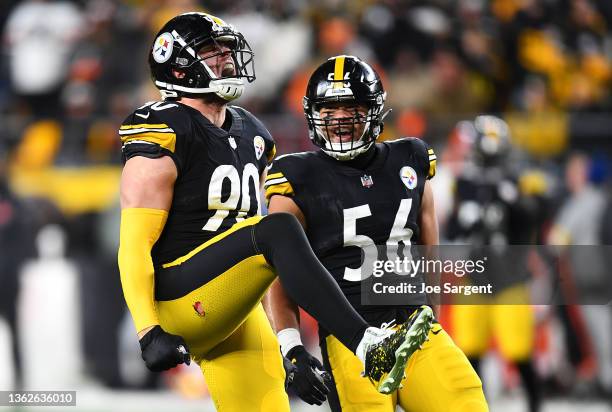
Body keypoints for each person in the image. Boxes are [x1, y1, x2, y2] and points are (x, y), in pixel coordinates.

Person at [117, 13, 433, 410]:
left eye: (227, 50)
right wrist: (148, 329)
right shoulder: (165, 129)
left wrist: (293, 349)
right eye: (212, 53)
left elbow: (262, 263)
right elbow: (132, 244)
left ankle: (339, 343)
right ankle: (366, 342)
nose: (226, 60)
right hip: (177, 299)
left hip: (230, 305)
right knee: (277, 228)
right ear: (179, 66)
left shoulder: (252, 133)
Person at [265, 55, 488, 412]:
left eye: (351, 106)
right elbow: (282, 269)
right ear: (313, 113)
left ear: (374, 110)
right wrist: (291, 347)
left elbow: (429, 250)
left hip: (416, 329)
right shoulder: (297, 175)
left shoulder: (410, 158)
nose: (339, 119)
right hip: (351, 336)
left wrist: (431, 315)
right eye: (328, 108)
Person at [446, 115, 544, 412]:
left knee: (519, 351)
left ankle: (535, 405)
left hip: (509, 278)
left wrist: (510, 199)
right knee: (469, 351)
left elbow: (530, 221)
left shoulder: (515, 181)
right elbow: (452, 230)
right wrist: (468, 219)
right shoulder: (465, 184)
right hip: (475, 277)